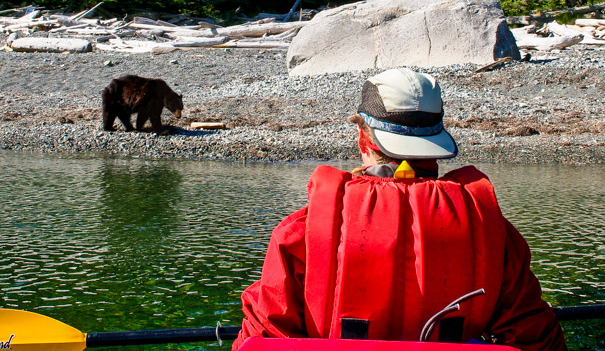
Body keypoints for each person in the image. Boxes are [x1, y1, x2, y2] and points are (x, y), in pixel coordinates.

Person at [233, 68, 566, 351]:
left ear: (363, 141)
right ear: (436, 145)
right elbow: (533, 334)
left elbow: (265, 334)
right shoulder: (490, 228)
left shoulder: (302, 230)